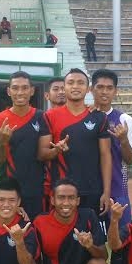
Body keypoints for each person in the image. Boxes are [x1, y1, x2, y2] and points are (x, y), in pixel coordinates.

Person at [40, 68, 112, 215]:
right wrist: (56, 150)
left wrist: (106, 191)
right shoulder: (49, 116)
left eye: (80, 83)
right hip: (62, 191)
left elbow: (105, 155)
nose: (75, 86)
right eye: (70, 83)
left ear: (88, 89)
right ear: (64, 88)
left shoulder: (99, 117)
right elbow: (42, 154)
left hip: (92, 189)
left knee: (92, 236)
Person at [0, 71, 48, 219]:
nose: (20, 92)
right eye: (15, 88)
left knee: (34, 233)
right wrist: (2, 142)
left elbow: (44, 154)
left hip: (36, 190)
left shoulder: (41, 117)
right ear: (9, 91)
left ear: (32, 91)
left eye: (24, 88)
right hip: (8, 191)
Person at [91, 69, 132, 229]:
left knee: (123, 240)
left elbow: (130, 160)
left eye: (109, 88)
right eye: (100, 87)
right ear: (91, 89)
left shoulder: (124, 119)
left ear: (115, 91)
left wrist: (123, 140)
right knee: (93, 242)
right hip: (90, 190)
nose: (104, 92)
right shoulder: (84, 116)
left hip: (117, 190)